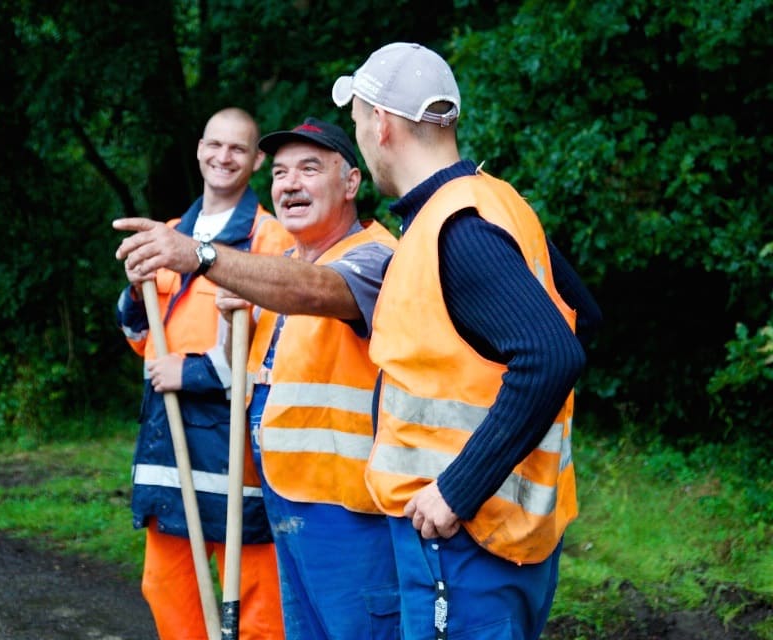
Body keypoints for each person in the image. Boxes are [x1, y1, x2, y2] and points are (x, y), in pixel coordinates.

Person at [331, 42, 603, 639]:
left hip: (459, 542)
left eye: (357, 123)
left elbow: (554, 354)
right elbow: (583, 314)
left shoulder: (455, 229)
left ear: (381, 124)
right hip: (501, 539)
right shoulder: (496, 202)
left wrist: (457, 489)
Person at [115, 117, 401, 640]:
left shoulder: (374, 257)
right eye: (284, 172)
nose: (290, 183)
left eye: (309, 169)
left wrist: (205, 259)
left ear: (352, 183)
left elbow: (318, 291)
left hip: (355, 517)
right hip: (284, 503)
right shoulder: (275, 268)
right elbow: (249, 377)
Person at [115, 106, 293, 640]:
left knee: (260, 602)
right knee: (168, 591)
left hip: (236, 454)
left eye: (238, 148)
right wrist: (132, 293)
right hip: (169, 450)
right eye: (215, 145)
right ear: (198, 149)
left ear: (257, 159)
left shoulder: (271, 240)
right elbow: (144, 341)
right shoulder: (168, 234)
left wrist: (189, 374)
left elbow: (271, 351)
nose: (223, 157)